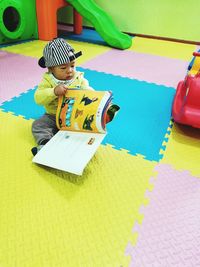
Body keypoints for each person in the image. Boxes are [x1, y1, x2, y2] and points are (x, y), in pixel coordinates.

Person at [31, 38, 120, 155]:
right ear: (51, 68)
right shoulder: (48, 81)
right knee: (38, 125)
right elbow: (38, 98)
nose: (70, 71)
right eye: (63, 68)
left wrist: (98, 99)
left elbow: (88, 91)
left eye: (72, 66)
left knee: (86, 123)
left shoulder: (78, 78)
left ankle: (105, 112)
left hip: (75, 115)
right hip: (53, 116)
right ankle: (45, 144)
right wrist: (53, 91)